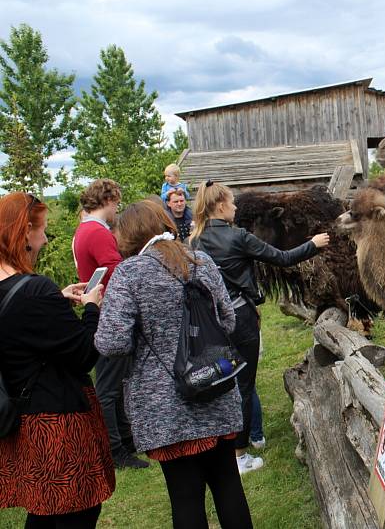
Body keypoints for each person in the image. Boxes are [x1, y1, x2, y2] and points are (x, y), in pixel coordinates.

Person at [95, 200, 252, 528]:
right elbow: (228, 320)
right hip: (215, 384)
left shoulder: (129, 273)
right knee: (228, 486)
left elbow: (112, 342)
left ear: (127, 237)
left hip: (165, 404)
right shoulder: (201, 260)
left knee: (185, 497)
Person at [189, 180, 329, 474]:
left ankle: (221, 442)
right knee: (243, 384)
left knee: (219, 379)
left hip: (210, 321)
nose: (236, 207)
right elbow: (283, 258)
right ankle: (240, 456)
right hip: (240, 318)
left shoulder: (194, 240)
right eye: (232, 202)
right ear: (220, 205)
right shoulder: (238, 237)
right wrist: (313, 244)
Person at [0, 192, 114, 528]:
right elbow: (83, 354)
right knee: (75, 512)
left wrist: (58, 302)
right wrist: (92, 307)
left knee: (45, 509)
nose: (46, 238)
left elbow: (22, 332)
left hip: (22, 419)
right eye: (42, 230)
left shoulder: (17, 291)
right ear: (24, 234)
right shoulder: (35, 290)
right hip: (58, 424)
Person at [74, 179, 149, 470]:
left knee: (116, 382)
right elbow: (118, 271)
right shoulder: (98, 232)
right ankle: (116, 449)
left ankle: (127, 441)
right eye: (116, 202)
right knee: (108, 386)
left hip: (102, 309)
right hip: (109, 312)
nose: (117, 208)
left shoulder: (83, 230)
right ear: (108, 200)